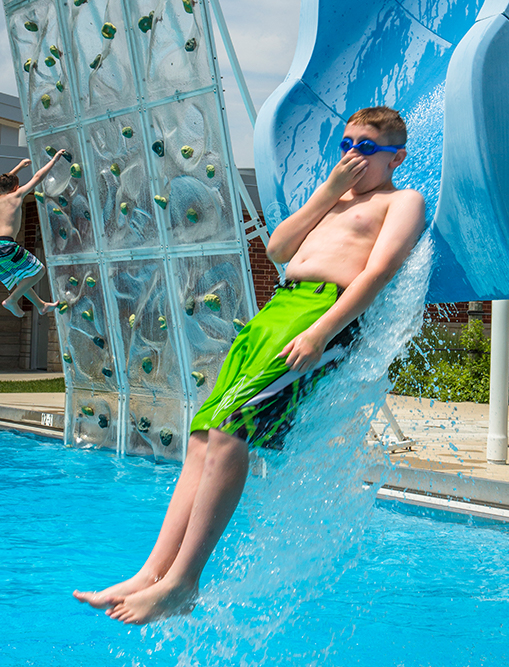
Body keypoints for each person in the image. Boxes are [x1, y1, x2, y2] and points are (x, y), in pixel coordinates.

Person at [73, 106, 426, 625]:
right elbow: (280, 247)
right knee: (202, 434)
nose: (353, 156)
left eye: (367, 148)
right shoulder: (332, 199)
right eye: (347, 144)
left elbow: (377, 273)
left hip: (318, 315)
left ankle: (183, 582)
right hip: (275, 314)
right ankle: (150, 574)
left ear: (395, 157)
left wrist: (320, 331)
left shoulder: (402, 200)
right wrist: (327, 193)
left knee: (231, 432)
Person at [0, 152, 65, 317]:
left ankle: (41, 305)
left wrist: (19, 167)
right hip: (6, 246)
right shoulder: (17, 195)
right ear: (16, 186)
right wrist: (54, 160)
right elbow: (38, 176)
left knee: (20, 279)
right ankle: (12, 300)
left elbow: (3, 183)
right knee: (39, 271)